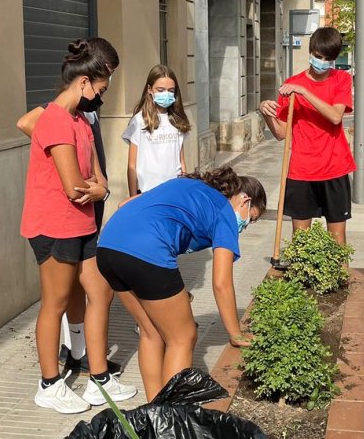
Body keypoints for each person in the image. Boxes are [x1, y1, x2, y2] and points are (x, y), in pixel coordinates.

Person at [21, 38, 136, 414]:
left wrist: (99, 189)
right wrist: (97, 189)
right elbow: (75, 187)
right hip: (53, 226)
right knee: (55, 303)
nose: (102, 95)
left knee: (100, 292)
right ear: (84, 81)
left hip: (82, 224)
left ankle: (99, 379)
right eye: (101, 88)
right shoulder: (55, 119)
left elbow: (99, 180)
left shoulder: (80, 121)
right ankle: (49, 384)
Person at [96, 167, 266, 401]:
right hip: (147, 251)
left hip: (108, 246)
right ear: (244, 200)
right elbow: (221, 283)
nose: (244, 226)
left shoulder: (190, 187)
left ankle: (155, 412)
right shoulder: (225, 211)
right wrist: (236, 333)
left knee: (151, 333)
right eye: (250, 219)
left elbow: (124, 204)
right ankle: (172, 414)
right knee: (183, 337)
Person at [259, 26, 354, 246]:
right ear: (311, 52)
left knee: (337, 240)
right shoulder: (292, 84)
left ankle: (338, 270)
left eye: (328, 59)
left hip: (334, 168)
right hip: (302, 170)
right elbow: (281, 133)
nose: (322, 62)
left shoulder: (341, 79)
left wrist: (304, 92)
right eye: (319, 56)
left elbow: (335, 117)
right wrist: (266, 114)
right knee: (301, 239)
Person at [123, 65, 189, 195]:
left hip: (174, 190)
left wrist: (185, 188)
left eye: (171, 90)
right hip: (148, 192)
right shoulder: (140, 120)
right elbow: (132, 165)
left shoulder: (177, 120)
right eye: (161, 90)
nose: (166, 94)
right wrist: (133, 197)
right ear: (150, 89)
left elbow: (181, 161)